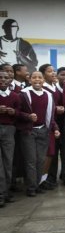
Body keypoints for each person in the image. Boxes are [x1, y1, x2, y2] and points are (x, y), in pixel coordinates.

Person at [17, 71, 60, 197]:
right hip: (28, 131)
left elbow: (50, 117)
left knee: (40, 160)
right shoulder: (23, 94)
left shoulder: (48, 95)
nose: (37, 80)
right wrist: (27, 116)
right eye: (34, 77)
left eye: (40, 78)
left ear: (43, 80)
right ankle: (31, 187)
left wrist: (55, 128)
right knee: (31, 160)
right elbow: (16, 112)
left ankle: (36, 184)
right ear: (29, 80)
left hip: (43, 131)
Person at [39, 64, 65, 191]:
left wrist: (60, 107)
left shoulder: (54, 87)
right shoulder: (42, 88)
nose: (53, 73)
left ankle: (52, 178)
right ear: (43, 74)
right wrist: (56, 108)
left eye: (54, 71)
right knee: (47, 154)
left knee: (54, 153)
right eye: (50, 71)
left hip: (57, 123)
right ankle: (43, 179)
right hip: (46, 124)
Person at [47, 66, 65, 187]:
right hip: (53, 124)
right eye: (62, 75)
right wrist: (57, 108)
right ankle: (51, 177)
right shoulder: (49, 89)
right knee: (53, 152)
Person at [0, 70, 20, 205]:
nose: (2, 80)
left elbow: (19, 112)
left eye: (6, 78)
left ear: (10, 80)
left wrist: (13, 112)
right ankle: (1, 194)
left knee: (8, 162)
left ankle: (5, 191)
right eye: (0, 77)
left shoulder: (14, 96)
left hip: (9, 130)